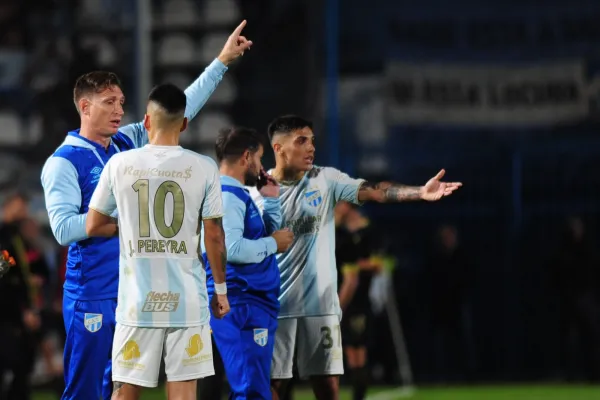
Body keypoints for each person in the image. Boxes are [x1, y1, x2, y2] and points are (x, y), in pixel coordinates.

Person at [40, 21, 251, 400]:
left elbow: (175, 110)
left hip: (129, 291)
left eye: (122, 102)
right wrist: (128, 225)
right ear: (85, 107)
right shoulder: (63, 162)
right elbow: (63, 229)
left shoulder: (125, 143)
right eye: (110, 102)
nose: (120, 109)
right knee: (86, 390)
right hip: (91, 292)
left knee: (118, 389)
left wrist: (221, 62)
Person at [251, 115, 462, 400]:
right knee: (272, 388)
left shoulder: (325, 179)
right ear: (278, 148)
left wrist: (419, 192)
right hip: (276, 307)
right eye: (301, 141)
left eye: (312, 140)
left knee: (327, 387)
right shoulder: (257, 191)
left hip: (320, 307)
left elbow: (377, 190)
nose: (311, 147)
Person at [85, 83, 230, 400]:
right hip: (187, 301)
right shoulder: (204, 167)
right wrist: (220, 291)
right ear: (185, 123)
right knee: (183, 393)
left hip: (137, 301)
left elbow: (93, 224)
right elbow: (215, 235)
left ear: (147, 122)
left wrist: (131, 226)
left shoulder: (119, 164)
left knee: (125, 392)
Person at [202, 127, 294, 399]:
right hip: (241, 303)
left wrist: (271, 201)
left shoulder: (234, 194)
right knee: (251, 389)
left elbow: (262, 233)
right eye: (260, 158)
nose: (261, 166)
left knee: (250, 387)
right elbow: (230, 249)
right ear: (246, 157)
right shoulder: (227, 196)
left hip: (251, 302)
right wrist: (273, 244)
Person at [335, 201, 382, 400]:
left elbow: (372, 265)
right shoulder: (341, 234)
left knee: (357, 352)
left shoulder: (365, 232)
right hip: (347, 299)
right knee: (350, 352)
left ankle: (359, 395)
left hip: (356, 301)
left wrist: (338, 306)